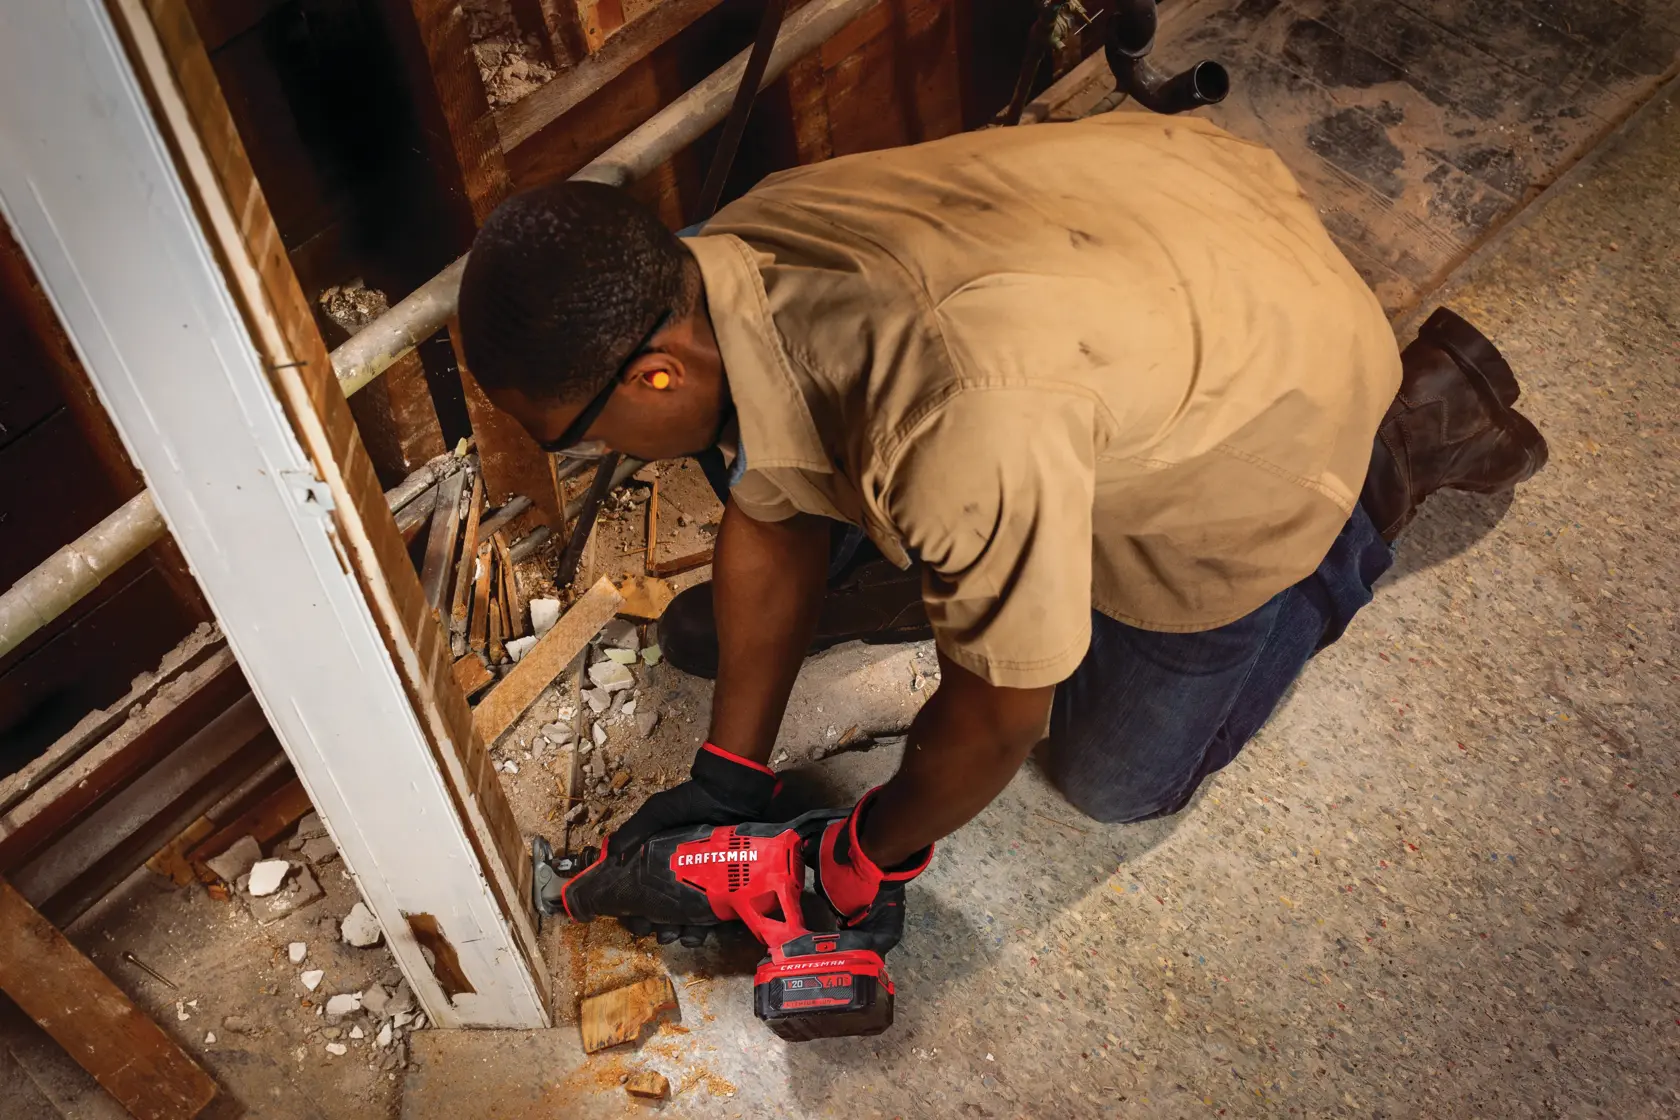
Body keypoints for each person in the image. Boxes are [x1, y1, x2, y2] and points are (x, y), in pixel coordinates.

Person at [456, 112, 1546, 946]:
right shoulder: (723, 261)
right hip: (1168, 216)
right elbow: (769, 496)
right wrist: (731, 778)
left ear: (656, 370)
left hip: (1274, 409)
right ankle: (978, 567)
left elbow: (993, 725)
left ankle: (1404, 438)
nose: (599, 456)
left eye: (585, 436)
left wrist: (858, 863)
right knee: (749, 618)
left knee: (1113, 781)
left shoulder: (950, 418)